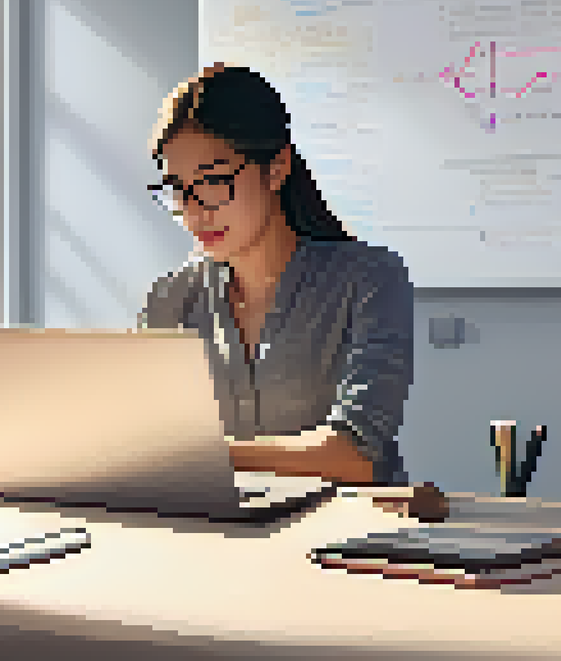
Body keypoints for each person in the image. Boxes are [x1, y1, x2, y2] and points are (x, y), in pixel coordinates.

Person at [139, 63, 414, 485]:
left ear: (277, 168)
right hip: (215, 522)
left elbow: (355, 455)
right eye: (178, 188)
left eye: (212, 181)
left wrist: (190, 455)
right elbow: (144, 441)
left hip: (346, 523)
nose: (194, 210)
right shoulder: (169, 300)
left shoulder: (370, 280)